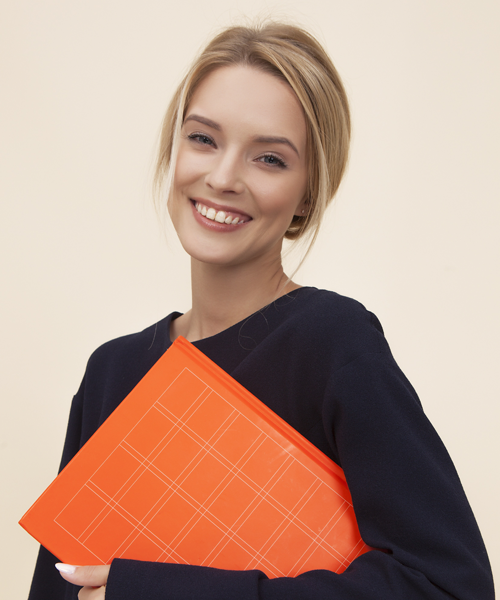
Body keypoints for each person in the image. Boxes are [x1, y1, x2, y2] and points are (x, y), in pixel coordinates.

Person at [28, 21, 494, 600]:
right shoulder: (111, 373)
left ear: (307, 195)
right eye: (203, 139)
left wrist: (158, 591)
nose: (223, 178)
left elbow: (450, 588)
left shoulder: (331, 344)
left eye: (269, 158)